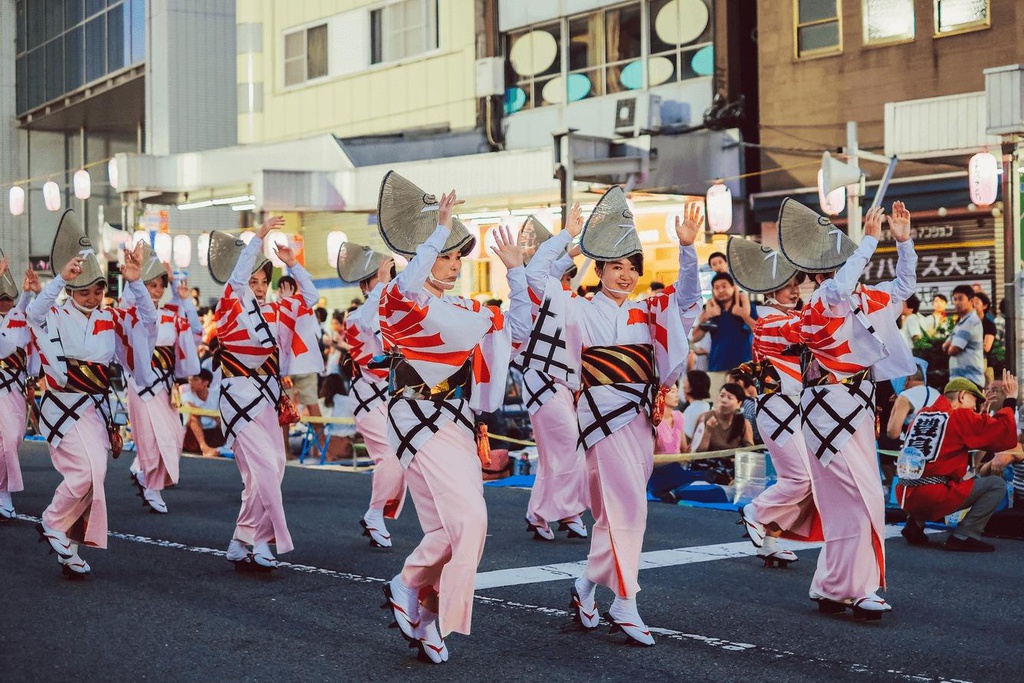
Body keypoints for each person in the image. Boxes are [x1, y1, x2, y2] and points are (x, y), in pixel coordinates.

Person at [524, 189, 703, 646]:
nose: (625, 274)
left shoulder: (650, 309)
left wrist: (687, 249)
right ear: (599, 269)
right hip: (600, 420)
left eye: (632, 266)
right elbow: (536, 279)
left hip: (641, 420)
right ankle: (625, 602)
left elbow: (687, 302)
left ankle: (585, 588)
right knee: (629, 508)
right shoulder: (578, 308)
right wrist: (565, 238)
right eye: (615, 266)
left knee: (617, 513)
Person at [376, 173, 531, 663]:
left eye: (456, 255)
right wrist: (438, 229)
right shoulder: (400, 299)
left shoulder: (468, 306)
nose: (452, 263)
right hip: (416, 415)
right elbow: (405, 285)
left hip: (459, 421)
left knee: (451, 527)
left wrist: (517, 272)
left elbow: (521, 329)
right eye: (444, 254)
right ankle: (409, 587)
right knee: (470, 519)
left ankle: (423, 615)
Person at [778, 199, 916, 619]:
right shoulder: (824, 297)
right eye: (845, 262)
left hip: (856, 406)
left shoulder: (864, 299)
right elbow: (839, 288)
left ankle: (832, 586)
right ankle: (859, 589)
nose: (850, 269)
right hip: (827, 408)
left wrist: (904, 243)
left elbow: (904, 289)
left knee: (844, 501)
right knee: (862, 496)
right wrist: (870, 243)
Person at [28, 211, 158, 577]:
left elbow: (148, 324)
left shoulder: (111, 318)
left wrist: (135, 284)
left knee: (94, 474)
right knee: (86, 472)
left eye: (98, 289)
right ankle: (53, 521)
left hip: (95, 410)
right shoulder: (54, 310)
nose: (92, 296)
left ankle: (67, 549)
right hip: (61, 405)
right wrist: (56, 280)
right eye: (84, 290)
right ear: (70, 289)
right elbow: (34, 314)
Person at [208, 216, 324, 571]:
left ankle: (241, 538)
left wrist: (292, 264)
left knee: (268, 470)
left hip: (268, 398)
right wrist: (257, 238)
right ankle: (261, 541)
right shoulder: (228, 309)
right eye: (253, 280)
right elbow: (237, 279)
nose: (258, 286)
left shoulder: (277, 310)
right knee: (266, 467)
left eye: (263, 281)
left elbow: (312, 297)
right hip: (237, 399)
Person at [727, 240, 821, 568]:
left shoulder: (781, 318)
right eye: (786, 287)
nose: (794, 291)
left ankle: (770, 539)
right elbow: (806, 330)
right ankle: (755, 512)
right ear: (770, 292)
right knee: (802, 480)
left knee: (798, 479)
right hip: (777, 408)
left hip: (791, 409)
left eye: (796, 285)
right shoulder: (769, 322)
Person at [515, 215, 588, 542]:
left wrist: (570, 252)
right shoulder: (532, 285)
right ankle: (556, 511)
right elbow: (540, 270)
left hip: (556, 382)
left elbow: (553, 271)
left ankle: (554, 513)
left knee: (555, 453)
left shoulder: (554, 292)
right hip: (543, 381)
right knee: (571, 448)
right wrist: (565, 235)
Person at [896, 374, 1019, 552]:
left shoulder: (922, 415)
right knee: (996, 485)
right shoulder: (959, 417)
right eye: (973, 401)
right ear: (962, 396)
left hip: (905, 494)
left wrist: (980, 416)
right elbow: (1003, 435)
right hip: (933, 496)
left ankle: (914, 524)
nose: (975, 407)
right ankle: (964, 535)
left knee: (939, 475)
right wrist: (1010, 400)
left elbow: (950, 441)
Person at [336, 241, 406, 546]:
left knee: (401, 460)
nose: (387, 283)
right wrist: (383, 282)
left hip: (391, 398)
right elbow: (370, 323)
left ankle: (375, 512)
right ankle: (375, 513)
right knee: (389, 458)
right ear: (366, 285)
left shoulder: (393, 313)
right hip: (367, 397)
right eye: (380, 279)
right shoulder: (356, 318)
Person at [122, 252, 201, 514]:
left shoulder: (173, 317)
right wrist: (131, 279)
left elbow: (191, 343)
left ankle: (143, 473)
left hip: (166, 387)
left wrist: (181, 383)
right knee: (149, 436)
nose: (156, 290)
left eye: (159, 285)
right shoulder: (131, 315)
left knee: (175, 436)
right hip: (141, 386)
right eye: (150, 285)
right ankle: (151, 486)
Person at [0, 253, 39, 521]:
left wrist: (32, 379)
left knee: (12, 439)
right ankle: (4, 494)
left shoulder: (17, 314)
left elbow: (26, 327)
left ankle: (3, 491)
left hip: (12, 388)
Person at [277, 274, 324, 454]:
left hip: (300, 364)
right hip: (288, 367)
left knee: (310, 406)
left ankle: (319, 449)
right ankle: (286, 451)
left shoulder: (304, 304)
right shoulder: (277, 306)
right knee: (286, 411)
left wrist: (288, 303)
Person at [690, 272, 757, 398]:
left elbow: (758, 330)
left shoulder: (745, 306)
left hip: (743, 367)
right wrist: (707, 317)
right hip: (717, 365)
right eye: (716, 287)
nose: (720, 290)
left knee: (745, 406)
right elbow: (695, 336)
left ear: (733, 287)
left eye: (724, 286)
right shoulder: (710, 310)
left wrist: (743, 314)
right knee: (718, 405)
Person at [689, 384, 754, 484]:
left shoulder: (743, 423)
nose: (724, 400)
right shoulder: (704, 418)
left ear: (739, 403)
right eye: (722, 395)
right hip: (708, 467)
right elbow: (699, 454)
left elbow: (749, 451)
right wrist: (708, 430)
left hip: (732, 468)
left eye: (729, 398)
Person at [885, 361, 941, 440]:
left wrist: (895, 406)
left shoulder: (905, 396)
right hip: (934, 444)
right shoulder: (936, 393)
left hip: (911, 445)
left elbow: (893, 433)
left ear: (907, 378)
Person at [944, 285, 985, 388]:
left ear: (971, 301)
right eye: (955, 299)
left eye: (961, 299)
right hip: (962, 380)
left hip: (969, 381)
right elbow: (945, 346)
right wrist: (949, 346)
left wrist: (950, 346)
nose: (957, 302)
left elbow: (952, 350)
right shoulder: (961, 323)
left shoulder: (970, 321)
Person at [181, 369, 225, 456]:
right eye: (190, 380)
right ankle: (204, 447)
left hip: (212, 432)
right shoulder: (187, 394)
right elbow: (190, 408)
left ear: (205, 383)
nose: (191, 383)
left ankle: (229, 447)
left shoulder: (215, 395)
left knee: (223, 419)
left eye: (195, 380)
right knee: (193, 417)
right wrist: (213, 415)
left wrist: (217, 417)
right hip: (192, 436)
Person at [655, 384, 688, 454]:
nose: (677, 395)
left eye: (677, 391)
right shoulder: (655, 420)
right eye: (672, 392)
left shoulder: (679, 416)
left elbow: (684, 448)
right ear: (661, 395)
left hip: (678, 463)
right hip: (661, 464)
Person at [681, 370, 713, 441]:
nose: (683, 387)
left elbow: (686, 437)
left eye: (685, 383)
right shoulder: (707, 405)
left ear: (690, 388)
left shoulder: (693, 409)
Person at [971, 291, 997, 376]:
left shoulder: (989, 325)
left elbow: (986, 347)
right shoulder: (967, 322)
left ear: (985, 306)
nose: (973, 305)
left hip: (984, 366)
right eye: (972, 302)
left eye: (977, 302)